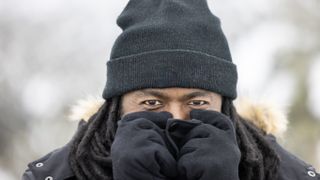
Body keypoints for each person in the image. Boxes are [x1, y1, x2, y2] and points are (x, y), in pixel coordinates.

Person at [22, 0, 320, 179]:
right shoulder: (54, 174)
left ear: (225, 105)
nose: (177, 118)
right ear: (117, 105)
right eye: (152, 103)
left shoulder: (284, 174)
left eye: (198, 102)